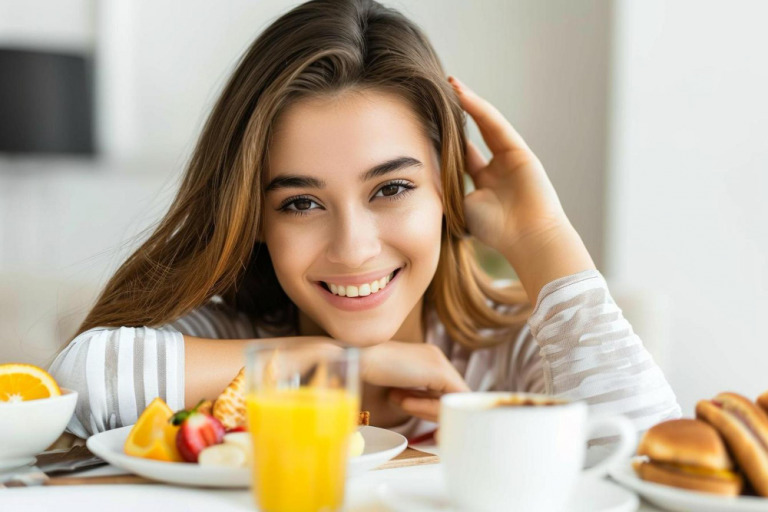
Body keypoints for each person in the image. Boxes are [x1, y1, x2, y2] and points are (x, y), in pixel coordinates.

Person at [49, 0, 681, 450]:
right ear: (255, 217)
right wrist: (332, 361)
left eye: (392, 188)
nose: (353, 247)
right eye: (301, 202)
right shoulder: (234, 337)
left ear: (445, 188)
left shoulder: (512, 355)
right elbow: (82, 378)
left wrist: (542, 236)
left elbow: (654, 459)